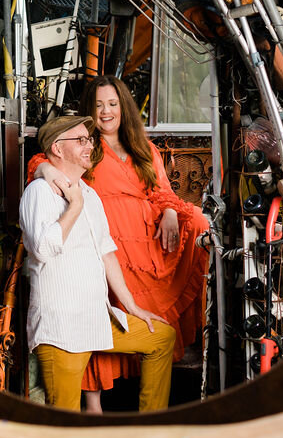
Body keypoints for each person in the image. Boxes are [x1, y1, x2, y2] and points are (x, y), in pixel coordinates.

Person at [29, 76, 209, 413]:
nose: (106, 111)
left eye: (112, 104)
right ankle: (93, 401)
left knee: (198, 222)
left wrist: (170, 211)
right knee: (98, 307)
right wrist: (46, 172)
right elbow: (44, 160)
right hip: (111, 238)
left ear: (123, 107)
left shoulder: (143, 147)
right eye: (98, 105)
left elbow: (162, 192)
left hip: (145, 237)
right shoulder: (86, 145)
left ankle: (156, 391)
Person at [20, 115, 176, 412]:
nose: (89, 145)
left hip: (97, 318)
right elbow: (42, 248)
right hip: (62, 329)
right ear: (57, 148)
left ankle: (150, 430)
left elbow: (106, 251)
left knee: (162, 337)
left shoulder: (89, 194)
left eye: (88, 139)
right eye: (80, 140)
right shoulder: (38, 192)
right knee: (64, 421)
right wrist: (74, 207)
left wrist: (132, 307)